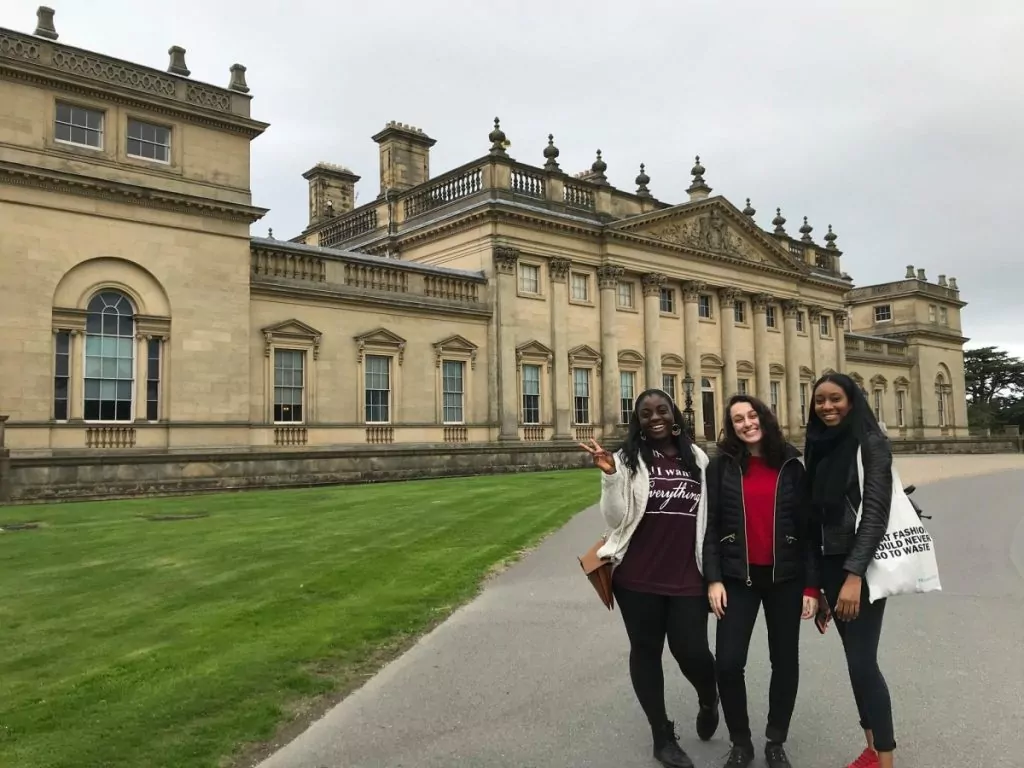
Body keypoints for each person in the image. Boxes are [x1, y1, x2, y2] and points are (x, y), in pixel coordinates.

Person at [580, 389, 719, 768]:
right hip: (637, 576)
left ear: (674, 416)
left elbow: (710, 517)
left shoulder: (698, 458)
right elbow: (615, 518)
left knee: (692, 651)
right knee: (645, 652)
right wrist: (611, 476)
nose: (655, 417)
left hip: (688, 573)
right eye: (646, 413)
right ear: (638, 421)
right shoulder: (627, 459)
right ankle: (662, 736)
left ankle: (709, 698)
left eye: (661, 410)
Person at [703, 395, 820, 768]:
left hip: (786, 578)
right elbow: (710, 526)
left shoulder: (791, 465)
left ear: (764, 417)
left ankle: (775, 739)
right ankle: (741, 742)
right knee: (727, 663)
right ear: (731, 427)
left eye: (751, 415)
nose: (746, 423)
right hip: (738, 578)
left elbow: (809, 532)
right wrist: (713, 579)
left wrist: (811, 587)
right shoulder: (721, 467)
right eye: (738, 419)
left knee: (784, 662)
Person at [804, 373, 895, 768]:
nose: (827, 406)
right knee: (854, 661)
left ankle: (885, 759)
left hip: (861, 567)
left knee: (862, 661)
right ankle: (872, 750)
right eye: (820, 400)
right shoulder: (816, 444)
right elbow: (812, 521)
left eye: (835, 398)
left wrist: (854, 575)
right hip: (829, 566)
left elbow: (875, 515)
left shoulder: (871, 443)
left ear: (852, 400)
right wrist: (819, 587)